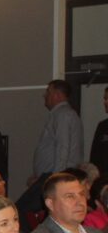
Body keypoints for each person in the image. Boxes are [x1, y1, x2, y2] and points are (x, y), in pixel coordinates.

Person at [17, 80, 85, 218]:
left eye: (48, 91)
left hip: (53, 177)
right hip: (51, 176)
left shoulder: (63, 114)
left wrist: (55, 180)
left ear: (57, 94)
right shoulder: (61, 114)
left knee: (20, 210)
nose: (45, 95)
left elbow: (63, 148)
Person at [90, 86, 108, 178]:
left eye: (107, 98)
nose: (105, 102)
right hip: (103, 179)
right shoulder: (103, 126)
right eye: (105, 99)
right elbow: (95, 156)